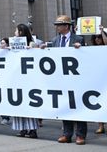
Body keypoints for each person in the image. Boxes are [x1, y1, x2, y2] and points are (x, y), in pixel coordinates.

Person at [47, 14, 86, 145]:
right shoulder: (55, 40)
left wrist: (80, 48)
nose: (57, 27)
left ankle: (80, 135)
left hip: (75, 78)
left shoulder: (79, 39)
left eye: (59, 25)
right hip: (61, 79)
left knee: (78, 105)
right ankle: (67, 134)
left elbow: (86, 57)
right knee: (65, 105)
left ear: (66, 26)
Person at [12, 24, 39, 139]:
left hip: (29, 79)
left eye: (16, 31)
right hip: (17, 78)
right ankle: (22, 128)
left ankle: (32, 129)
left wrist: (31, 49)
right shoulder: (13, 43)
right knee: (18, 103)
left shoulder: (32, 43)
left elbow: (37, 53)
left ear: (21, 32)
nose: (15, 33)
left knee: (29, 104)